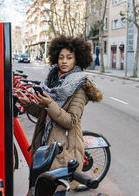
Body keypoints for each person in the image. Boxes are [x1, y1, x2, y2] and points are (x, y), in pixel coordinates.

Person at [15, 35, 102, 196]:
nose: (64, 61)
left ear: (77, 59)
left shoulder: (80, 86)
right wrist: (27, 104)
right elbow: (45, 115)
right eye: (61, 57)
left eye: (69, 58)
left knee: (54, 190)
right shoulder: (54, 81)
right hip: (46, 147)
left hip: (63, 150)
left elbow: (71, 121)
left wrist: (49, 103)